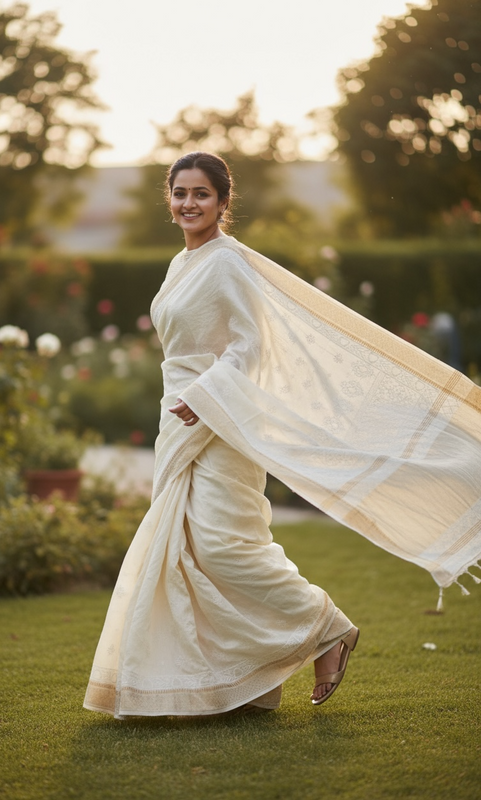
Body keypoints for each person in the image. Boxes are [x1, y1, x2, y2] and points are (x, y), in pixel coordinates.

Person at [84, 152, 481, 719]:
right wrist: (187, 400)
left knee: (227, 546)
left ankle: (328, 626)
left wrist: (207, 395)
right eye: (180, 193)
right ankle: (239, 685)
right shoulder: (180, 265)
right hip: (182, 422)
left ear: (224, 201)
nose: (189, 203)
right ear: (168, 200)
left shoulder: (229, 264)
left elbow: (249, 345)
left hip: (222, 421)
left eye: (201, 193)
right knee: (186, 548)